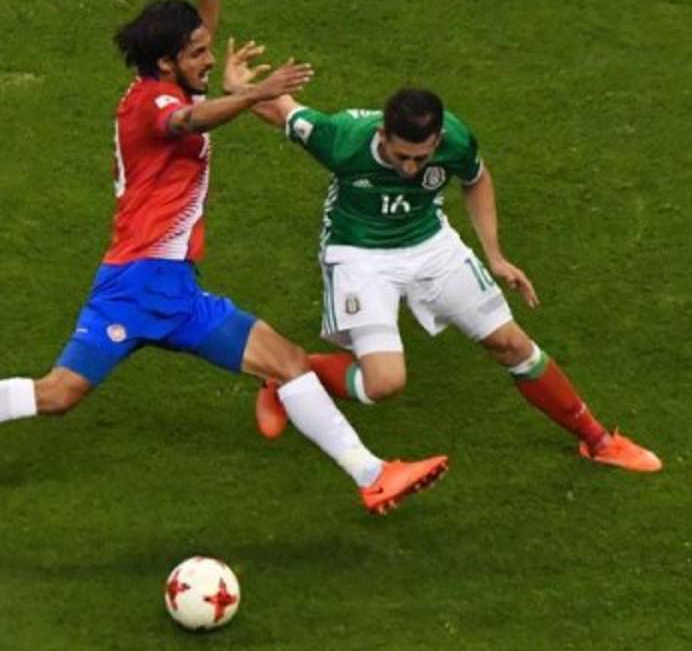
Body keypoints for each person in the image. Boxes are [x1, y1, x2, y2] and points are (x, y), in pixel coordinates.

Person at [0, 0, 448, 514]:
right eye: (197, 53)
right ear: (167, 63)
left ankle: (373, 474)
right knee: (58, 393)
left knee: (288, 363)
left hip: (171, 288)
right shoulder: (154, 105)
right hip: (140, 284)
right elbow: (188, 122)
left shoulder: (168, 81)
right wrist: (257, 94)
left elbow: (194, 64)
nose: (209, 58)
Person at [222, 56, 662, 472]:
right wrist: (240, 89)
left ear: (437, 140)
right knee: (384, 384)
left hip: (430, 244)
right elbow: (281, 109)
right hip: (360, 253)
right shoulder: (342, 137)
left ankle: (598, 440)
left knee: (511, 343)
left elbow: (476, 179)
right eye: (401, 156)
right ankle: (287, 372)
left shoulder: (455, 139)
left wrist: (495, 255)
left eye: (422, 157)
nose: (411, 168)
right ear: (383, 134)